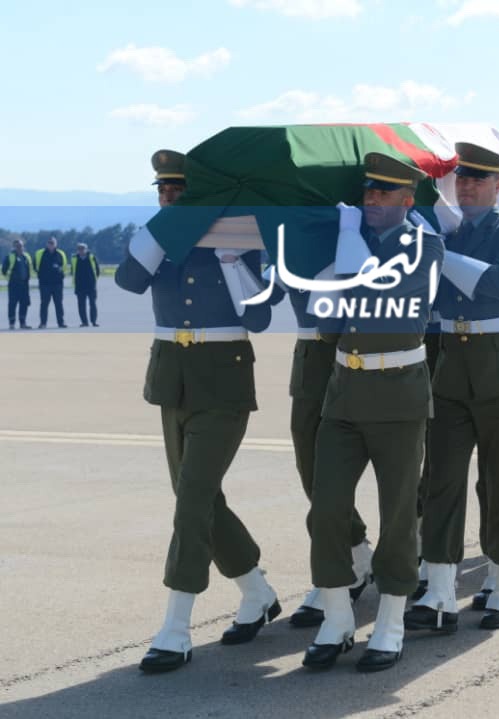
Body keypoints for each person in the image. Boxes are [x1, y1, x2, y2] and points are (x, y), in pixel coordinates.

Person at [117, 149, 279, 674]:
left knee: (192, 499)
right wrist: (161, 231)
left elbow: (259, 318)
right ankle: (256, 590)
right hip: (172, 378)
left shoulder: (237, 239)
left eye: (178, 191)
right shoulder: (158, 240)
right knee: (199, 497)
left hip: (222, 380)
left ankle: (176, 627)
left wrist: (231, 262)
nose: (169, 198)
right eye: (163, 191)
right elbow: (128, 281)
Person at [303, 152, 444, 672]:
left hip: (398, 396)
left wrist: (346, 244)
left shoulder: (425, 245)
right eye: (367, 192)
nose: (372, 200)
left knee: (398, 514)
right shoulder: (349, 242)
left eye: (383, 192)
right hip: (345, 393)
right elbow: (325, 319)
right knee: (326, 509)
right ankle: (338, 617)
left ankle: (390, 621)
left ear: (408, 200)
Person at [405, 142, 499, 633]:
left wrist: (439, 253)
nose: (466, 187)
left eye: (477, 179)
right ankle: (440, 590)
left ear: (497, 185)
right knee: (441, 479)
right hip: (453, 366)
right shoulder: (446, 233)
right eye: (461, 179)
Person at [265, 266, 372, 631]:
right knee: (312, 469)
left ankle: (418, 555)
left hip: (367, 350)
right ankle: (355, 555)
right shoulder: (294, 247)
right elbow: (264, 296)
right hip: (313, 356)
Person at [33, 237, 67, 328]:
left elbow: (64, 267)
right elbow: (35, 266)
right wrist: (41, 275)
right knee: (44, 304)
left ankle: (61, 322)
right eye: (49, 243)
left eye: (52, 243)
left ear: (56, 244)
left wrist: (60, 274)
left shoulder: (61, 253)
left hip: (57, 284)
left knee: (58, 303)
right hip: (45, 284)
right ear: (46, 244)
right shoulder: (39, 253)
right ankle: (43, 323)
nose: (51, 244)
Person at [2, 239, 32, 329]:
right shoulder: (10, 257)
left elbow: (29, 268)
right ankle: (12, 323)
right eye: (17, 246)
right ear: (14, 247)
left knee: (24, 303)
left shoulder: (26, 257)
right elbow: (4, 270)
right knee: (12, 304)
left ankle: (23, 323)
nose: (19, 248)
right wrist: (11, 277)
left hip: (24, 284)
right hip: (13, 285)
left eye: (21, 246)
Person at [71, 242, 101, 327]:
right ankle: (84, 322)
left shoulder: (92, 257)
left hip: (91, 285)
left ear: (86, 249)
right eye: (79, 249)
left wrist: (94, 280)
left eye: (83, 249)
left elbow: (97, 270)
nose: (81, 250)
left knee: (93, 304)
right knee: (81, 305)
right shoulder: (74, 258)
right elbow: (72, 271)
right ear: (77, 250)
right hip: (79, 286)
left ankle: (93, 321)